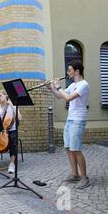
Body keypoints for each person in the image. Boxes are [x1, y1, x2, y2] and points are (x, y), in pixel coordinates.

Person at [46, 59, 90, 189]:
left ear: (77, 71)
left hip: (78, 120)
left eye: (69, 70)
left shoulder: (83, 84)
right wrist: (51, 88)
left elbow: (68, 98)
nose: (67, 72)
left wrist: (58, 86)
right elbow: (60, 96)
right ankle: (75, 175)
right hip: (70, 119)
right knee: (68, 148)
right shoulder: (73, 85)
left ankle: (84, 178)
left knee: (76, 149)